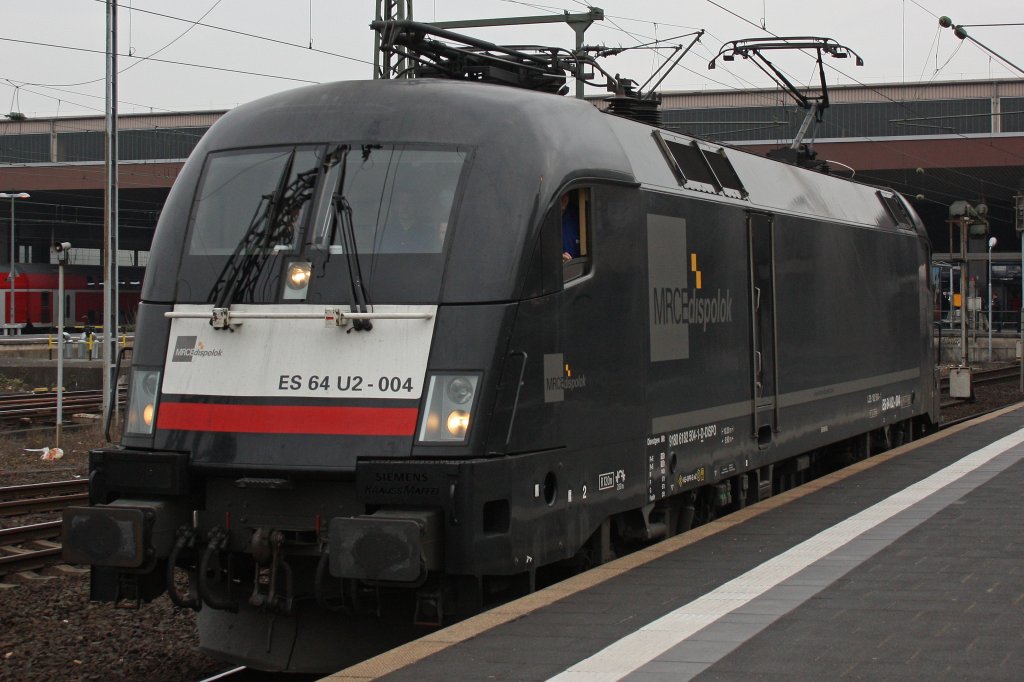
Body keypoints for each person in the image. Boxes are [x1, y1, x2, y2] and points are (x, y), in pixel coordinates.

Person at [561, 192, 580, 262]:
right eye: (561, 194)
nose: (564, 198)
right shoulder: (544, 217)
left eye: (566, 194)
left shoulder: (579, 215)